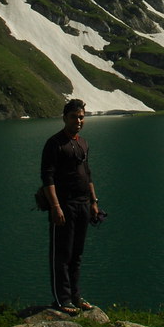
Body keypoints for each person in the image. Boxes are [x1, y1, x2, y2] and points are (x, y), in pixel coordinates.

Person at [40, 98, 100, 314]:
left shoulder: (82, 143)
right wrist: (56, 207)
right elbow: (47, 178)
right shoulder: (54, 144)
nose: (78, 121)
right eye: (74, 117)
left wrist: (94, 202)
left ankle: (75, 296)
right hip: (64, 205)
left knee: (77, 254)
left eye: (82, 117)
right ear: (65, 118)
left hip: (83, 204)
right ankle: (61, 300)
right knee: (61, 254)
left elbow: (88, 174)